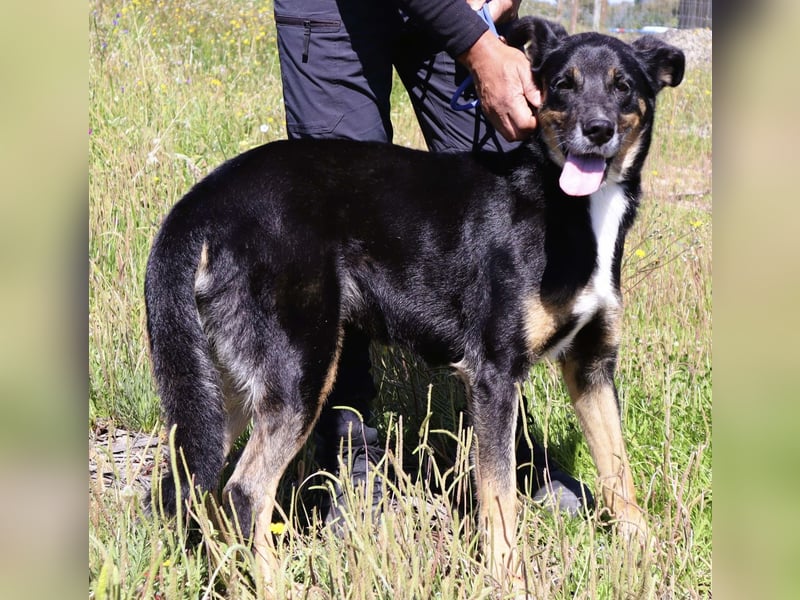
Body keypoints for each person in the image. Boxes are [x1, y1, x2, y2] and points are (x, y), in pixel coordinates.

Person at [272, 0, 593, 525]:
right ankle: (349, 460)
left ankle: (511, 450)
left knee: (512, 186)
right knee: (344, 217)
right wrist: (479, 46)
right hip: (332, 13)